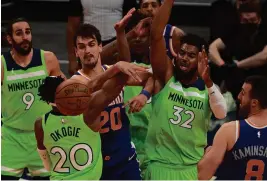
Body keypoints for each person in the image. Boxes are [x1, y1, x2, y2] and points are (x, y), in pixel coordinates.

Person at [144, 0, 227, 180]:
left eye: (191, 55)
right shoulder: (166, 78)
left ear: (201, 59)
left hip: (192, 169)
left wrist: (209, 82)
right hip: (161, 167)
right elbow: (156, 35)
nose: (184, 58)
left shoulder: (208, 89)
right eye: (181, 53)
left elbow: (221, 113)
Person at [35, 58, 147, 180]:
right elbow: (109, 89)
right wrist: (118, 67)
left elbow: (46, 162)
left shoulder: (41, 123)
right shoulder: (87, 113)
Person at [72, 23, 153, 180]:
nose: (87, 51)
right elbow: (91, 86)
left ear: (100, 47)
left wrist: (144, 95)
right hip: (97, 162)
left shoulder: (114, 70)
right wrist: (115, 69)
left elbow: (150, 76)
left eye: (91, 45)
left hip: (125, 159)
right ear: (76, 52)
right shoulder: (75, 83)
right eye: (81, 47)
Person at [1, 17, 65, 180]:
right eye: (19, 33)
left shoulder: (48, 59)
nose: (25, 37)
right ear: (9, 39)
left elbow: (63, 94)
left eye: (28, 32)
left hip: (43, 137)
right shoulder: (2, 65)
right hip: (11, 138)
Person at [198, 75, 267, 180]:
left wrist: (205, 157)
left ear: (254, 103)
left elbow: (202, 176)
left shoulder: (230, 130)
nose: (238, 96)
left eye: (243, 93)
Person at [67, 0, 138, 75]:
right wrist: (72, 59)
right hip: (88, 44)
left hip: (116, 44)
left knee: (118, 79)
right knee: (88, 81)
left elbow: (132, 20)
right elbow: (72, 26)